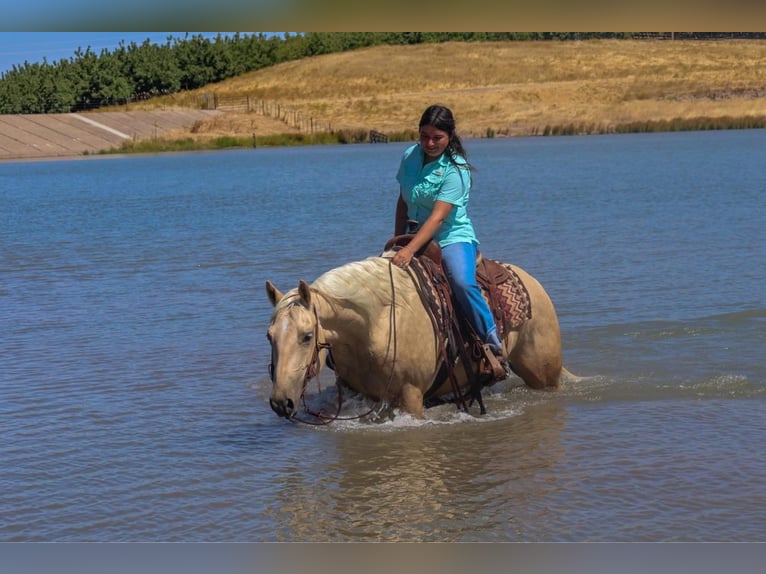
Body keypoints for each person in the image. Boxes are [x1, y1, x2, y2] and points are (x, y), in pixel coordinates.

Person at [391, 104, 503, 356]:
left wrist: (409, 250)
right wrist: (396, 240)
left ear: (450, 136)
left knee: (462, 282)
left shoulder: (457, 169)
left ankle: (492, 339)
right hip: (413, 234)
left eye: (437, 138)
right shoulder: (410, 155)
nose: (429, 143)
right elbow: (402, 200)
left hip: (451, 237)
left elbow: (438, 218)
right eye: (424, 136)